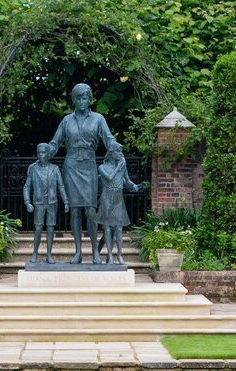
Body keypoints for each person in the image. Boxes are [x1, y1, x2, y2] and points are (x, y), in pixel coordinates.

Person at [47, 83, 116, 264]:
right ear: (73, 100)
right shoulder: (67, 120)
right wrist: (47, 150)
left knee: (91, 211)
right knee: (75, 211)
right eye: (78, 98)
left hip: (89, 166)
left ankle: (94, 251)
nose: (81, 101)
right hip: (71, 166)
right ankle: (78, 252)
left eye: (85, 98)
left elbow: (109, 139)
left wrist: (116, 148)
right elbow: (55, 142)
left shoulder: (98, 119)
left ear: (90, 99)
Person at [96, 142, 147, 264]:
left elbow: (127, 181)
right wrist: (119, 168)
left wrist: (137, 186)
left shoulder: (122, 166)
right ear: (112, 153)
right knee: (107, 228)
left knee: (119, 228)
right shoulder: (102, 167)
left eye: (121, 151)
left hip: (118, 198)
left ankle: (119, 255)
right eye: (118, 151)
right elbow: (109, 177)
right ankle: (110, 256)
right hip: (107, 198)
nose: (120, 154)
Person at [23, 143, 68, 264]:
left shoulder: (55, 169)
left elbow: (61, 186)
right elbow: (27, 187)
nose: (40, 155)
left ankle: (49, 254)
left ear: (48, 154)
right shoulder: (33, 169)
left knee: (50, 229)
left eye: (43, 152)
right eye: (39, 153)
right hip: (38, 203)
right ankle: (35, 253)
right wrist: (27, 202)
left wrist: (66, 202)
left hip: (52, 202)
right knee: (38, 228)